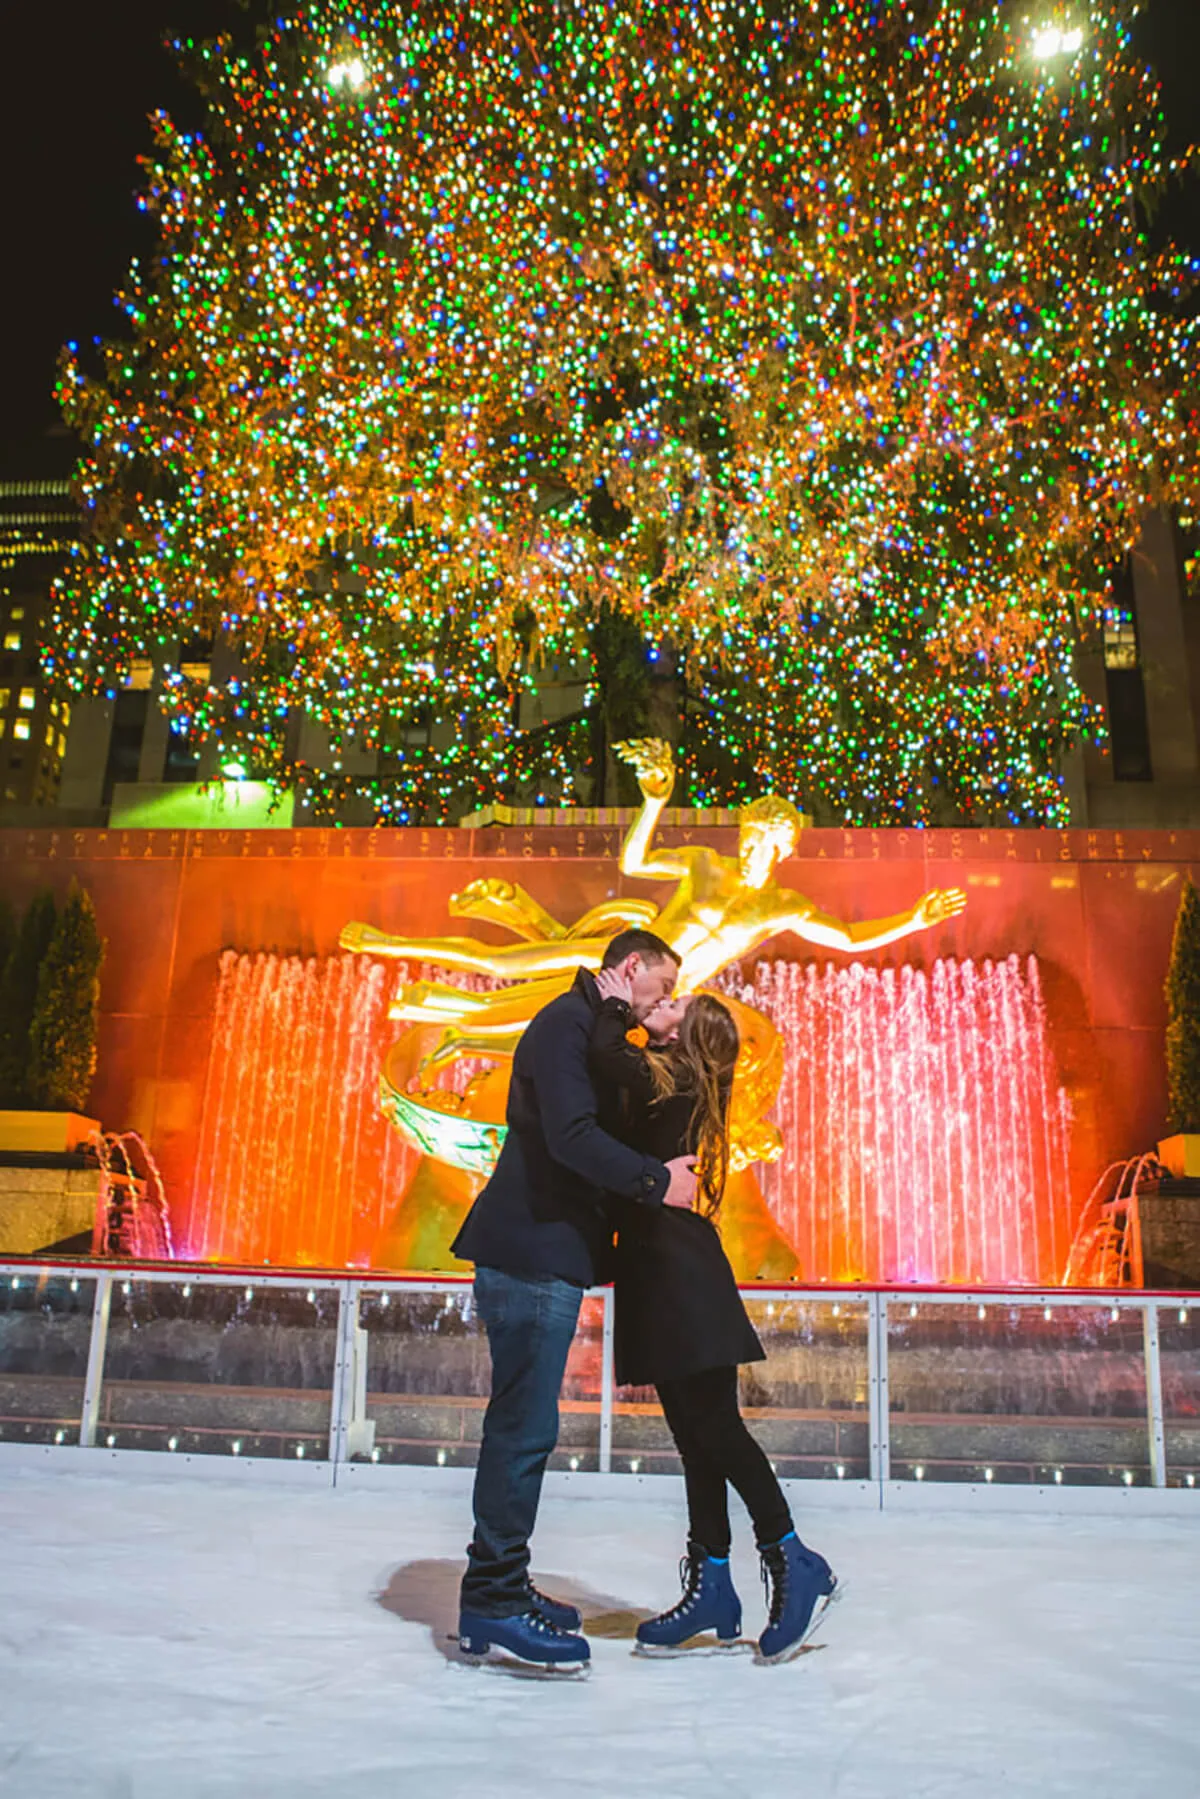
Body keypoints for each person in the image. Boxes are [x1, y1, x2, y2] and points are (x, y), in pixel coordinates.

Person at [451, 928, 697, 1673]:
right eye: (662, 987)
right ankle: (492, 1599)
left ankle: (503, 1582)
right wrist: (657, 1183)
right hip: (530, 1252)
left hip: (546, 1254)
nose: (665, 1002)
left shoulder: (588, 1026)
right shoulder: (564, 1022)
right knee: (523, 1428)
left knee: (527, 1425)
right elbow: (571, 1134)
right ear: (632, 967)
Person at [589, 974, 838, 1664]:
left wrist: (613, 1002)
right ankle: (714, 1587)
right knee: (696, 1439)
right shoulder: (672, 1083)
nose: (660, 1004)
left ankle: (793, 1558)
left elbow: (608, 1056)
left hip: (681, 1274)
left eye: (672, 1005)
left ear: (687, 1038)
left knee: (716, 1431)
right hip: (662, 1272)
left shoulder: (672, 1080)